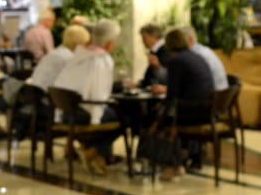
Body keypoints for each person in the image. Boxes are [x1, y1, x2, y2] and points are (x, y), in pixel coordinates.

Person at [53, 19, 121, 174]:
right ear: (110, 42)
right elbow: (100, 94)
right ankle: (93, 152)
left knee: (111, 113)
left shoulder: (78, 55)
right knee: (126, 118)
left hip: (66, 112)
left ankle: (96, 154)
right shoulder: (102, 59)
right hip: (83, 114)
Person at [151, 28, 216, 181]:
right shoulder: (197, 57)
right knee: (164, 117)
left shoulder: (176, 62)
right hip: (207, 111)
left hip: (191, 112)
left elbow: (172, 95)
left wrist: (160, 114)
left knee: (157, 119)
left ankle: (170, 164)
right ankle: (179, 162)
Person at [27, 23, 89, 91]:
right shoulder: (70, 59)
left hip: (34, 92)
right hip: (49, 94)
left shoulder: (54, 53)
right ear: (78, 44)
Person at [183, 27, 229, 91]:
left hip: (214, 94)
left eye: (179, 40)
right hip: (222, 93)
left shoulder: (195, 54)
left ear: (190, 39)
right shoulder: (203, 50)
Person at [137, 23, 169, 90]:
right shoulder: (155, 51)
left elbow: (167, 77)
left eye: (144, 38)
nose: (143, 41)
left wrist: (157, 67)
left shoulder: (164, 50)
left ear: (154, 36)